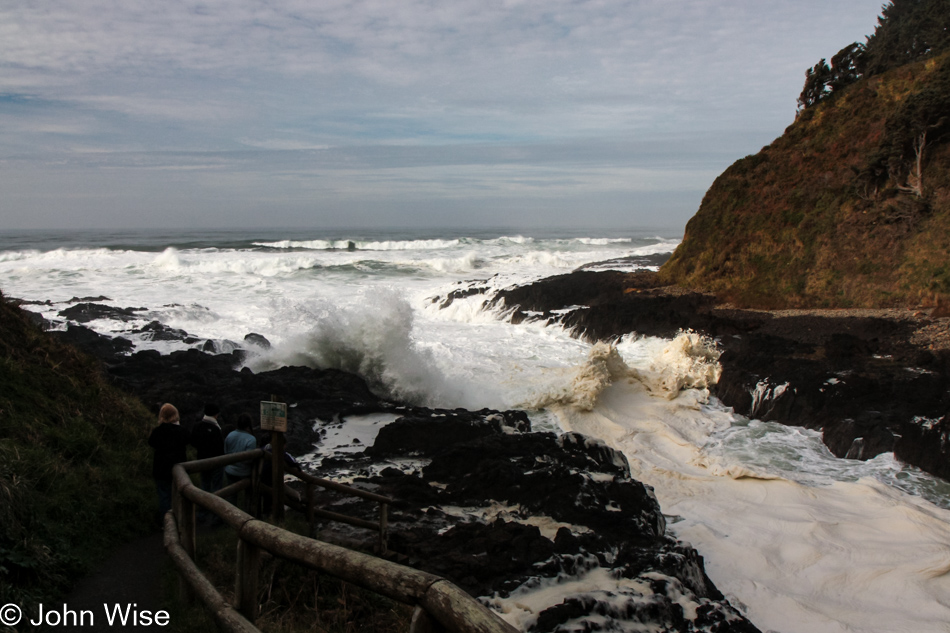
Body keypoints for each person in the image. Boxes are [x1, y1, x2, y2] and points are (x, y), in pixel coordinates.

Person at [148, 403, 189, 519]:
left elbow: (151, 442)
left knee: (164, 497)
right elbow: (188, 439)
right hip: (178, 469)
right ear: (175, 415)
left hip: (160, 469)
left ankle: (166, 522)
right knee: (177, 496)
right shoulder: (181, 431)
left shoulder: (158, 431)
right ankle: (179, 519)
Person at [190, 402, 225, 523]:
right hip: (216, 462)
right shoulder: (216, 428)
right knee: (217, 488)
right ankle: (216, 515)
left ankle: (202, 514)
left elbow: (193, 442)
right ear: (216, 414)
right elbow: (221, 446)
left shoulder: (197, 426)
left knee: (204, 486)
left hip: (202, 460)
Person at [223, 413, 258, 510]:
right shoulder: (251, 439)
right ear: (248, 425)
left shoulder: (230, 435)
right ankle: (246, 514)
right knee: (249, 493)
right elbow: (249, 459)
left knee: (231, 494)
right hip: (244, 472)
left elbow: (226, 451)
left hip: (229, 470)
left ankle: (230, 514)